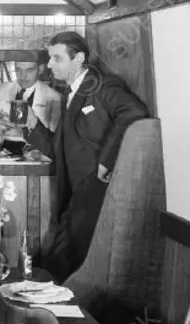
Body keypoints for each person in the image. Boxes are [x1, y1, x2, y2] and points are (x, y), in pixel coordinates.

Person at [41, 31, 149, 283]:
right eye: (49, 58)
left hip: (93, 188)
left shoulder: (102, 86)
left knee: (65, 260)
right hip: (76, 191)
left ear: (78, 58)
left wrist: (106, 161)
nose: (49, 65)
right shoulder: (73, 91)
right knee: (63, 260)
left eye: (56, 58)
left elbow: (134, 112)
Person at [0, 52, 62, 155]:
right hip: (2, 155)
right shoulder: (0, 90)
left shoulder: (55, 98)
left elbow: (54, 144)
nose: (22, 76)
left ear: (41, 69)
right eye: (18, 70)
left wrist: (24, 133)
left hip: (36, 159)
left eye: (29, 70)